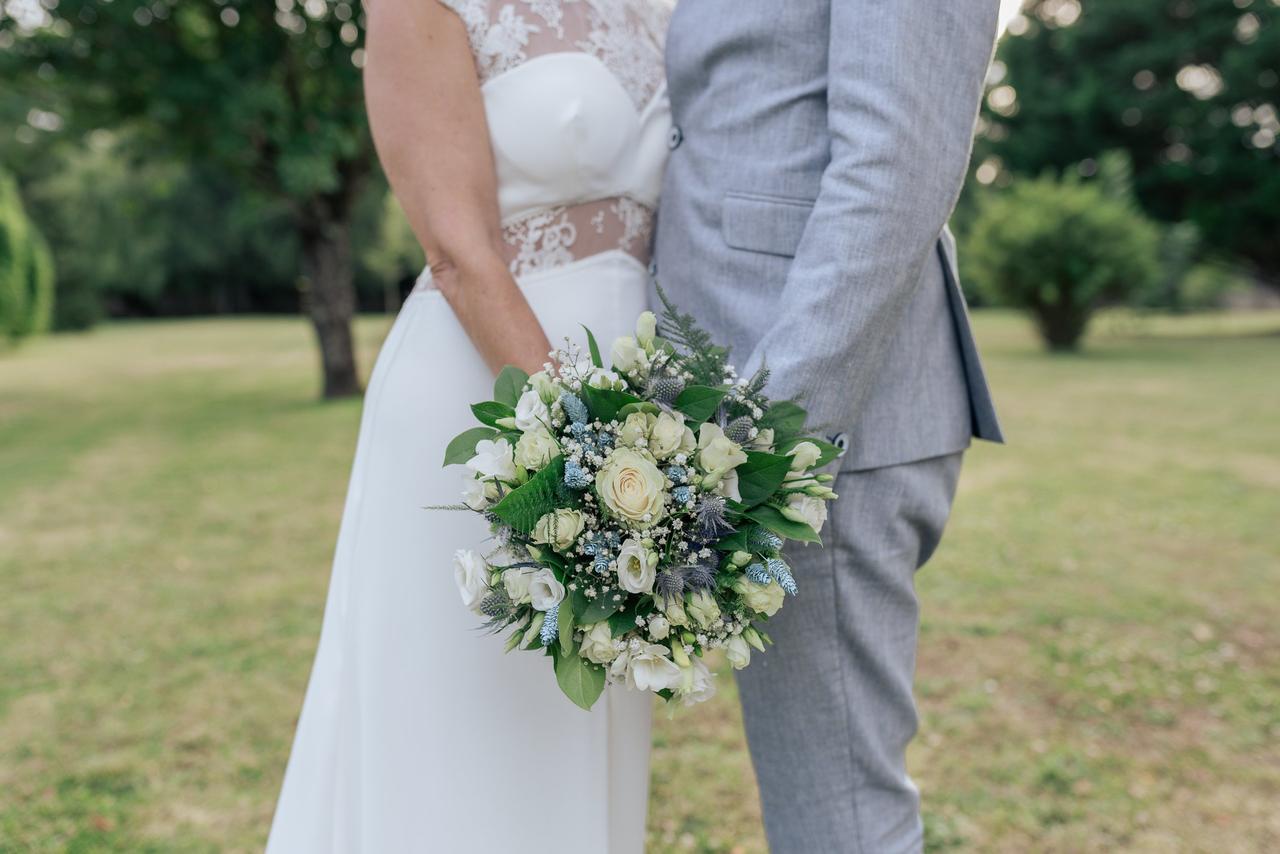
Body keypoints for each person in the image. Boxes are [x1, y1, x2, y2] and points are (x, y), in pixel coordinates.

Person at [266, 1, 672, 851]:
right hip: (490, 402)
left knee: (578, 733)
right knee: (468, 738)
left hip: (639, 426)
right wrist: (587, 450)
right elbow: (459, 253)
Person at [652, 2, 1006, 852]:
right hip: (762, 395)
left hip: (825, 420)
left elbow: (897, 167)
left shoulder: (773, 439)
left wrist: (758, 445)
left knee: (840, 816)